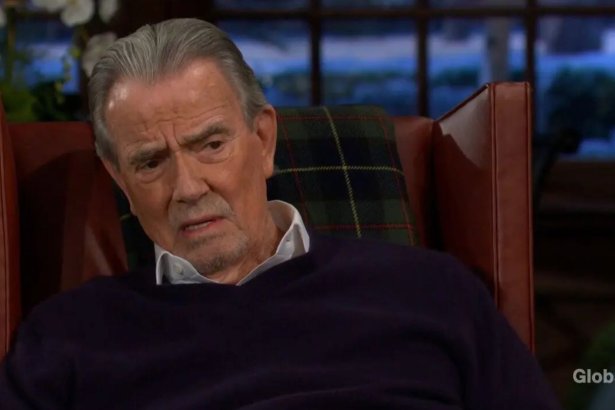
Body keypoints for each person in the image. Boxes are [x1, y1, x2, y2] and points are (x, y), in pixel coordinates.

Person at [0, 18, 560, 409]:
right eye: (150, 162)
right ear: (120, 178)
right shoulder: (65, 340)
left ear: (263, 140)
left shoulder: (433, 291)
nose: (187, 188)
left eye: (210, 145)